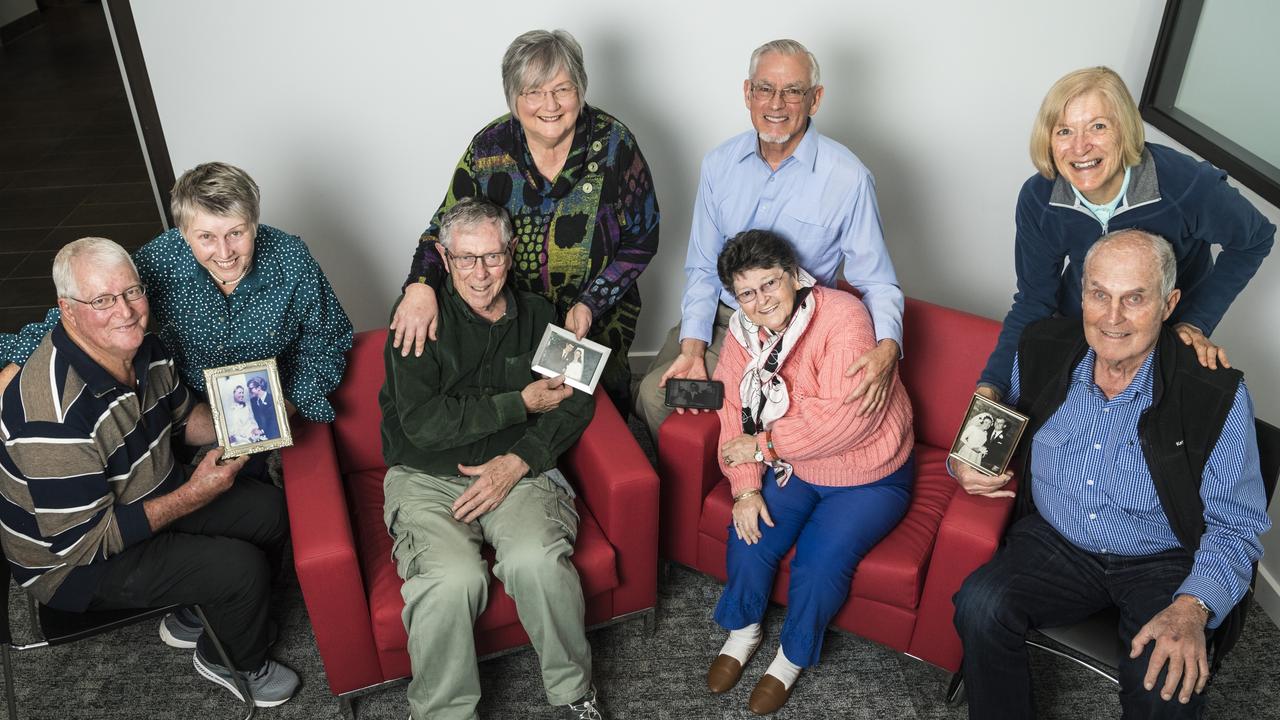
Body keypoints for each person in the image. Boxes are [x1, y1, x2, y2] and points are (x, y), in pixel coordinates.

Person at [952, 229, 1271, 719]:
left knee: (1166, 680)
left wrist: (1192, 607)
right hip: (1056, 540)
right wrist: (964, 458)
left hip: (1163, 558)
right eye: (1099, 294)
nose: (1113, 317)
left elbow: (1238, 525)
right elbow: (996, 417)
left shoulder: (1214, 393)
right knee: (979, 604)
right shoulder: (1041, 347)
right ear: (1082, 294)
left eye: (1135, 298)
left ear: (1169, 304)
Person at [0, 238, 299, 707]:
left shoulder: (145, 349)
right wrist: (198, 492)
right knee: (240, 570)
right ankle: (233, 661)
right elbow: (85, 542)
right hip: (74, 563)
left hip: (147, 491)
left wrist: (255, 419)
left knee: (271, 512)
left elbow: (185, 418)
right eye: (102, 300)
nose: (125, 311)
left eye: (132, 292)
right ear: (67, 310)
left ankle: (195, 616)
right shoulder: (50, 416)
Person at [380, 198, 604, 720]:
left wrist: (522, 458)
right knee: (451, 581)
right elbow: (424, 425)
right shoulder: (416, 320)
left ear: (510, 254)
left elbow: (579, 398)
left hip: (516, 469)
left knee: (538, 562)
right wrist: (519, 403)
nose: (480, 274)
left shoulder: (541, 316)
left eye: (493, 257)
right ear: (444, 257)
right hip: (427, 475)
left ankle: (574, 692)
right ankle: (442, 714)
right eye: (465, 259)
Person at [635, 38, 904, 441]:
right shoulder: (719, 164)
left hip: (783, 329)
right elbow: (703, 266)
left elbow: (877, 280)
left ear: (815, 99)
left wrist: (888, 348)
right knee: (644, 398)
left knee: (652, 396)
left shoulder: (848, 178)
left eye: (793, 91)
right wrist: (693, 345)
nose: (776, 104)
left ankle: (739, 476)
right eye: (765, 88)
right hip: (720, 314)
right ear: (748, 93)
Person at [388, 29, 659, 415]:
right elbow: (443, 231)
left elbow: (642, 238)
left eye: (562, 89)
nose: (549, 104)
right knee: (520, 412)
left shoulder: (616, 145)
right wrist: (420, 286)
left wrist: (590, 303)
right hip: (510, 318)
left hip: (595, 319)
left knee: (595, 420)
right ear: (514, 97)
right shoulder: (490, 148)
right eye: (533, 92)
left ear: (580, 90)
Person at [704, 230, 914, 715]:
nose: (761, 301)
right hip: (793, 465)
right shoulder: (742, 333)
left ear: (793, 276)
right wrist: (743, 489)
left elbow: (849, 418)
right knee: (749, 534)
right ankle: (744, 629)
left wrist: (765, 445)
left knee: (819, 564)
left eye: (770, 284)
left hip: (869, 473)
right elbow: (733, 410)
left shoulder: (843, 315)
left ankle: (791, 657)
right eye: (747, 293)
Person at [976, 66, 1274, 405]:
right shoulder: (1039, 198)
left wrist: (1195, 321)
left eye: (1098, 127)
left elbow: (1255, 239)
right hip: (1081, 330)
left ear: (1125, 130)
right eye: (1064, 131)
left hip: (1157, 336)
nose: (1079, 148)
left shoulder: (1186, 185)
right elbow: (1034, 301)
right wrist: (992, 385)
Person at [0, 161, 354, 425]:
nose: (225, 251)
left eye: (236, 232)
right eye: (206, 237)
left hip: (272, 403)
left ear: (255, 222)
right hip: (188, 406)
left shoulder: (291, 257)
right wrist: (15, 364)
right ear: (183, 234)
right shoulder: (162, 257)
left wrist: (285, 405)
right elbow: (83, 313)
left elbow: (330, 340)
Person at [248, 376, 280, 440]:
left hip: (273, 434)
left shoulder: (273, 399)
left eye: (251, 389)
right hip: (259, 436)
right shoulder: (252, 401)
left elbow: (275, 421)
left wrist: (262, 431)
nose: (249, 391)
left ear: (259, 388)